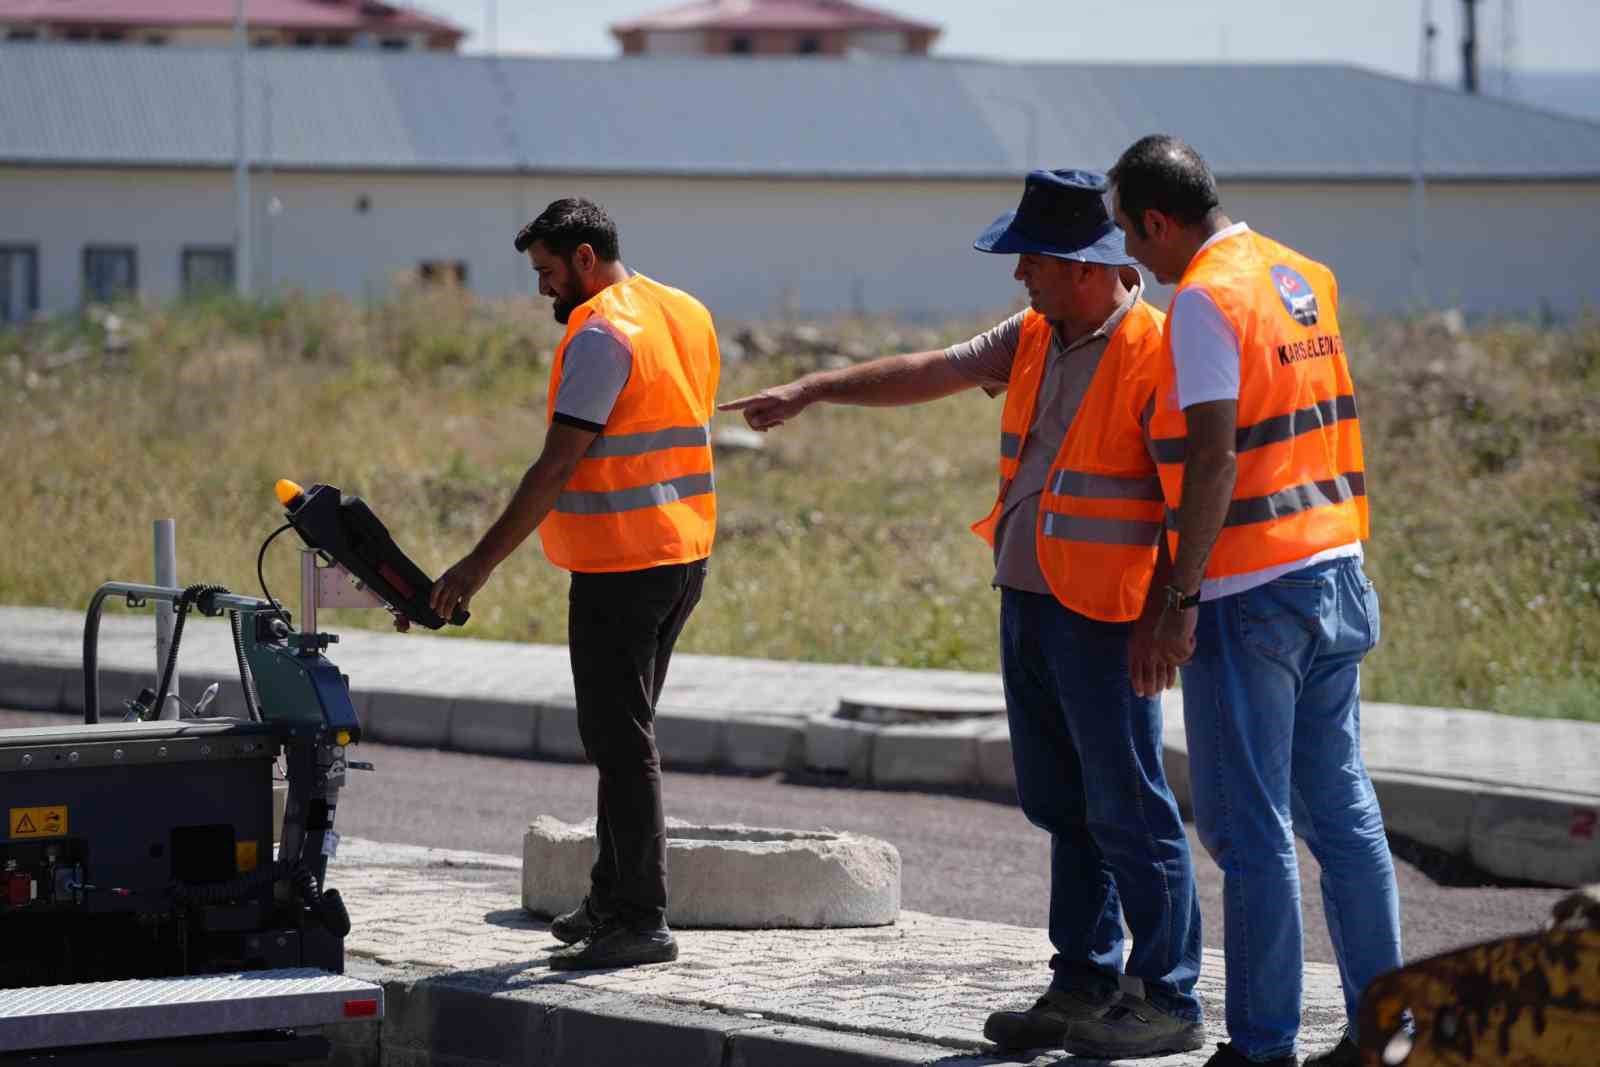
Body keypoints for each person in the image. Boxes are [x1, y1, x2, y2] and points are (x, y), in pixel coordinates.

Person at [723, 170, 1204, 1059]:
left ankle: (1168, 995)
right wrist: (816, 388)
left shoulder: (1158, 348)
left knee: (1130, 806)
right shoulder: (1035, 332)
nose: (1018, 276)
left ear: (1084, 265)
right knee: (1065, 805)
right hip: (1029, 599)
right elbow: (932, 371)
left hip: (1106, 615)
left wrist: (1169, 616)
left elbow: (1189, 497)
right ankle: (1083, 979)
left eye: (1031, 260)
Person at [1107, 135, 1402, 1067]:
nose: (1128, 258)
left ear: (1160, 221)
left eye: (1128, 234)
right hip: (1336, 571)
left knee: (1251, 828)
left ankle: (1263, 1043)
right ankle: (1381, 1030)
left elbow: (1214, 457)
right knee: (1344, 814)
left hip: (1251, 589)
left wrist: (1181, 595)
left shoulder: (1203, 297)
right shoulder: (1300, 273)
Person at [430, 197, 720, 971]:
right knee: (620, 733)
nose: (543, 291)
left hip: (623, 565)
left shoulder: (600, 334)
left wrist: (474, 566)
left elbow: (556, 466)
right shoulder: (683, 310)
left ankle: (642, 917)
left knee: (621, 741)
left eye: (549, 273)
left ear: (585, 259)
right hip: (682, 551)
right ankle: (609, 896)